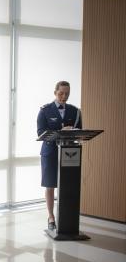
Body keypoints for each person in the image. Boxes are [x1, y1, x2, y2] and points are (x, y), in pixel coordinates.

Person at [37, 81, 82, 230]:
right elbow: (41, 134)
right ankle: (51, 217)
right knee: (50, 185)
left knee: (67, 185)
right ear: (55, 93)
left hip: (69, 153)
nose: (64, 96)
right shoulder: (45, 110)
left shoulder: (75, 111)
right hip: (50, 152)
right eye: (61, 93)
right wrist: (61, 132)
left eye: (67, 93)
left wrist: (72, 132)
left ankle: (66, 217)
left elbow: (79, 131)